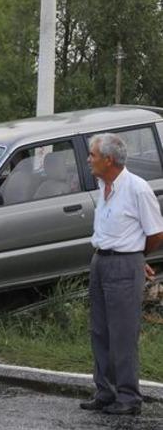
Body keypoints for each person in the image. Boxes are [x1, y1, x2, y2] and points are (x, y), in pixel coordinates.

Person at [80, 133, 163, 415]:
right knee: (100, 331)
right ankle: (105, 391)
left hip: (124, 265)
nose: (88, 159)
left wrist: (137, 256)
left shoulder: (137, 189)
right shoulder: (103, 184)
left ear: (108, 159)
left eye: (92, 155)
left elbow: (155, 233)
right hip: (100, 261)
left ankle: (128, 397)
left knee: (123, 334)